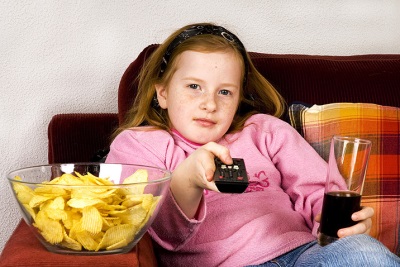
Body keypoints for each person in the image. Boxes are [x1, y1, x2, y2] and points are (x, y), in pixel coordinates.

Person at [106, 23, 400, 266]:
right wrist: (189, 179)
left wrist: (342, 226)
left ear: (238, 98)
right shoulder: (138, 144)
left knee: (364, 251)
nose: (209, 104)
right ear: (163, 94)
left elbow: (320, 191)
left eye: (224, 92)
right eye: (194, 86)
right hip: (226, 264)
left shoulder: (263, 130)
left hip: (305, 254)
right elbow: (154, 230)